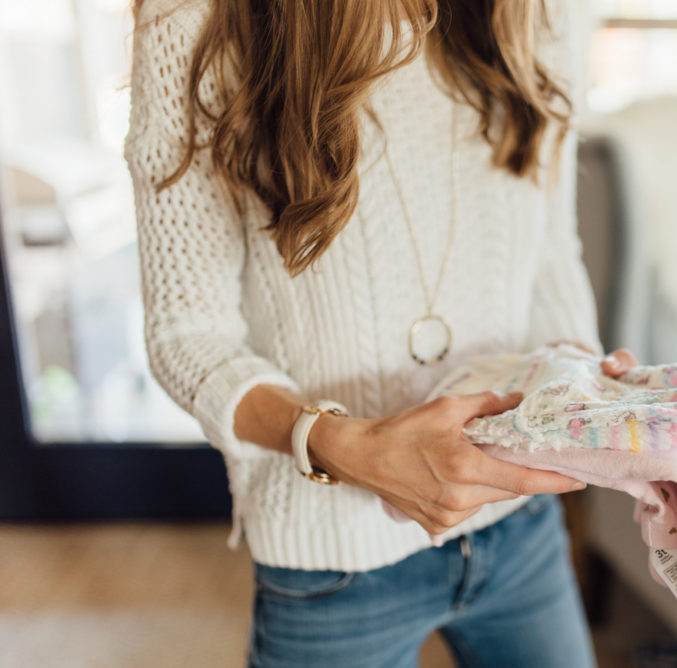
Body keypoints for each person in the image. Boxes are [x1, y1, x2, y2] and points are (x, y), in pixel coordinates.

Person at [125, 0, 639, 665]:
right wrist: (340, 441)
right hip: (332, 565)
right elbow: (185, 332)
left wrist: (582, 384)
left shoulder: (538, 13)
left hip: (520, 525)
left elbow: (548, 257)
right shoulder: (192, 18)